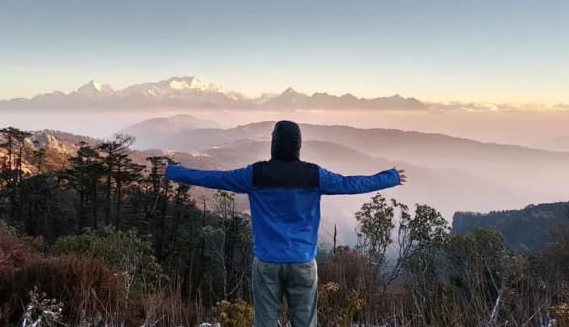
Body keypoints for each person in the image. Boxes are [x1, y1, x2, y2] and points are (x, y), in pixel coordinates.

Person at [165, 120, 406, 327]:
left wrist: (175, 172)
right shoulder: (313, 175)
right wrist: (390, 177)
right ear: (298, 145)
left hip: (267, 263)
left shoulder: (255, 174)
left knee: (265, 322)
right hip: (302, 262)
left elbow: (213, 178)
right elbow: (351, 184)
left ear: (273, 144)